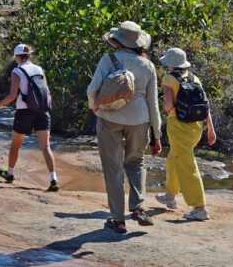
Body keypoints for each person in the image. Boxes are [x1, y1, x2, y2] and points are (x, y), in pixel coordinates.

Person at [87, 21, 162, 234]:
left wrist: (95, 108)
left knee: (113, 168)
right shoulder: (148, 66)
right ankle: (138, 208)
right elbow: (153, 103)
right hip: (139, 120)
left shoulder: (107, 59)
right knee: (136, 162)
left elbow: (92, 89)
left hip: (109, 118)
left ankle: (118, 220)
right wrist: (157, 135)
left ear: (118, 41)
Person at [155, 48, 216, 220]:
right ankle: (170, 195)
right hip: (196, 127)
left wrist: (171, 111)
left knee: (188, 166)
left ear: (169, 63)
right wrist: (211, 129)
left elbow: (168, 105)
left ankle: (200, 208)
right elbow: (206, 106)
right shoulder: (194, 78)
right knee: (174, 159)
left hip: (178, 127)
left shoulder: (168, 78)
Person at [0, 44, 58, 192]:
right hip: (42, 111)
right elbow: (47, 92)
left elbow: (13, 96)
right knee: (46, 146)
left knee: (16, 144)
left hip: (24, 112)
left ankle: (10, 174)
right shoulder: (39, 69)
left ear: (17, 57)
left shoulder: (17, 71)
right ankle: (53, 179)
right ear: (30, 55)